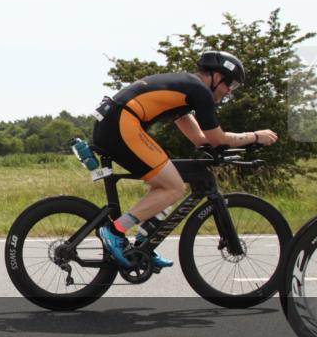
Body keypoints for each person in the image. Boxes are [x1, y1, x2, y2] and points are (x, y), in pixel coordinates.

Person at [91, 51, 278, 269]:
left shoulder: (188, 86)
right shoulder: (200, 91)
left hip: (113, 122)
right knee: (173, 187)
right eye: (231, 85)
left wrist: (203, 143)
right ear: (217, 76)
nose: (229, 92)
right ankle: (115, 231)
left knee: (169, 181)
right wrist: (255, 137)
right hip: (120, 123)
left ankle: (145, 242)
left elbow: (187, 123)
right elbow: (217, 138)